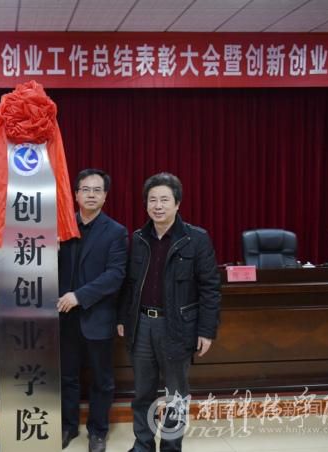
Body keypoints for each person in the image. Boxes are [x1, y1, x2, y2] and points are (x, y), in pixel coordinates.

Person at [118, 172, 221, 452]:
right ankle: (143, 444)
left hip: (177, 326)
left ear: (177, 203)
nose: (158, 206)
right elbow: (129, 284)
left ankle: (171, 447)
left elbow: (210, 288)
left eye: (164, 199)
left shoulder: (196, 239)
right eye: (152, 200)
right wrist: (123, 318)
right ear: (145, 205)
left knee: (175, 395)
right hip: (141, 325)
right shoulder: (139, 238)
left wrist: (206, 330)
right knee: (142, 393)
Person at [58, 169, 128, 452]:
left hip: (98, 316)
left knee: (102, 380)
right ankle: (68, 426)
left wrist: (79, 296)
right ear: (75, 194)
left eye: (96, 190)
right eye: (85, 189)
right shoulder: (61, 227)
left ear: (105, 196)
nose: (90, 195)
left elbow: (115, 275)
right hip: (64, 318)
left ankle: (98, 431)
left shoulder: (116, 231)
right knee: (67, 377)